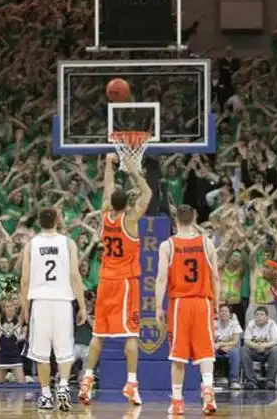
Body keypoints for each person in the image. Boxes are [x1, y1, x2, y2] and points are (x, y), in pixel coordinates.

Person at [78, 154, 152, 406]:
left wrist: (110, 165)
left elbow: (108, 188)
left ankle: (87, 380)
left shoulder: (104, 215)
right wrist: (132, 171)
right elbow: (148, 193)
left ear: (111, 203)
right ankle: (131, 383)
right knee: (131, 334)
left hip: (106, 281)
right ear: (128, 204)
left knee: (98, 334)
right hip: (125, 282)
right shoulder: (129, 220)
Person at [155, 204, 220, 415]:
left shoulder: (167, 245)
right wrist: (216, 303)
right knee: (206, 352)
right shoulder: (206, 243)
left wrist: (158, 307)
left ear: (175, 220)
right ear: (194, 219)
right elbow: (215, 277)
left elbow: (162, 278)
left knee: (178, 355)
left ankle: (177, 401)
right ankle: (208, 391)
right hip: (202, 302)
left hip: (179, 304)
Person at [20, 207, 86, 411]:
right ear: (58, 221)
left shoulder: (31, 245)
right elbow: (75, 276)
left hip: (40, 302)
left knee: (41, 354)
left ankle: (46, 395)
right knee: (64, 352)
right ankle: (64, 387)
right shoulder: (68, 243)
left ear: (38, 222)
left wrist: (25, 308)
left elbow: (25, 280)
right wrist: (82, 306)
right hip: (63, 302)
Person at [241, 306, 277, 390]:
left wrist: (264, 346)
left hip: (268, 350)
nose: (259, 317)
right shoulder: (251, 324)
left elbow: (276, 341)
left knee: (276, 350)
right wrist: (256, 346)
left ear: (267, 317)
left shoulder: (272, 324)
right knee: (244, 349)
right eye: (257, 315)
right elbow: (247, 341)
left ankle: (270, 381)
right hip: (254, 350)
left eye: (262, 314)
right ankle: (251, 381)